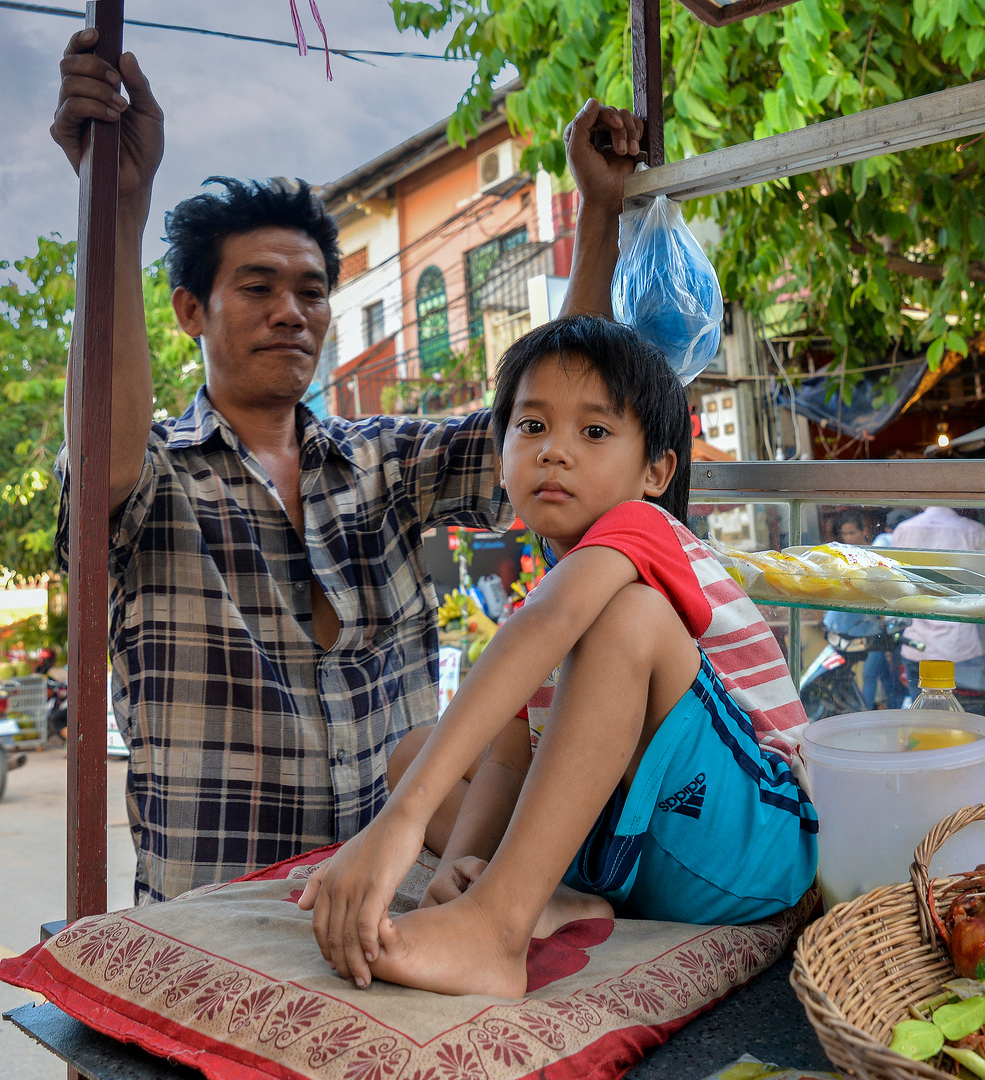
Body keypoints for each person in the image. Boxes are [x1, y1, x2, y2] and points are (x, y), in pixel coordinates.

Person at [49, 34, 647, 901]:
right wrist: (120, 206)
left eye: (312, 291)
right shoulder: (157, 479)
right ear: (190, 310)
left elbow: (553, 417)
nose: (291, 313)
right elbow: (104, 450)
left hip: (392, 909)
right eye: (257, 288)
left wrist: (599, 214)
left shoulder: (384, 462)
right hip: (217, 923)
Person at [297, 314, 818, 996]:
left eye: (594, 432)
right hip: (643, 857)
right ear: (502, 448)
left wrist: (403, 822)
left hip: (756, 844)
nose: (554, 451)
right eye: (532, 426)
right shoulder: (545, 601)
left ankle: (498, 929)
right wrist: (459, 867)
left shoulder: (644, 531)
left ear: (657, 469)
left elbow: (555, 620)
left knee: (628, 618)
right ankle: (529, 900)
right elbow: (513, 757)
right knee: (414, 754)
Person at [889, 506, 985, 697]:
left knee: (923, 719)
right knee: (962, 720)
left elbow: (897, 584)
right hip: (960, 647)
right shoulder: (973, 531)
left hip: (916, 643)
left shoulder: (904, 529)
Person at [822, 513, 906, 709]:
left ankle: (873, 715)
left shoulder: (875, 552)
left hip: (876, 626)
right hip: (859, 627)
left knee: (878, 676)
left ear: (864, 531)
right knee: (877, 675)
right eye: (845, 533)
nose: (848, 537)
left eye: (852, 532)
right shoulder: (843, 554)